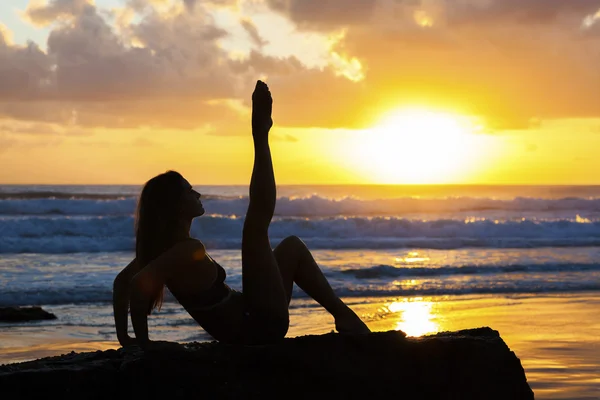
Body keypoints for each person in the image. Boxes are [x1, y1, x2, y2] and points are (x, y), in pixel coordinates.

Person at [112, 80, 370, 348]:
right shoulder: (185, 250)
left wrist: (125, 338)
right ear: (176, 205)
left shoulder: (165, 252)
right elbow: (136, 285)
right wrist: (143, 344)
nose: (198, 195)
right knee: (255, 226)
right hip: (258, 326)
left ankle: (345, 317)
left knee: (291, 248)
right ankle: (260, 136)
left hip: (253, 317)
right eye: (190, 191)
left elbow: (122, 283)